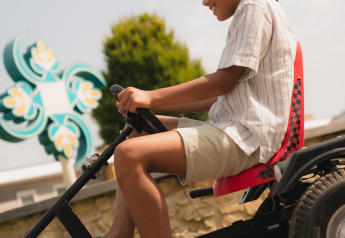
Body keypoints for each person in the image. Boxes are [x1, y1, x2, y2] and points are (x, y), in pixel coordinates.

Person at [100, 0, 296, 237]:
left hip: (248, 138)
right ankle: (119, 233)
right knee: (135, 129)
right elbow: (219, 95)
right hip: (237, 130)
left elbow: (223, 81)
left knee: (129, 155)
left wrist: (152, 97)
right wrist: (146, 104)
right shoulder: (255, 9)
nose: (204, 2)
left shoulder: (254, 6)